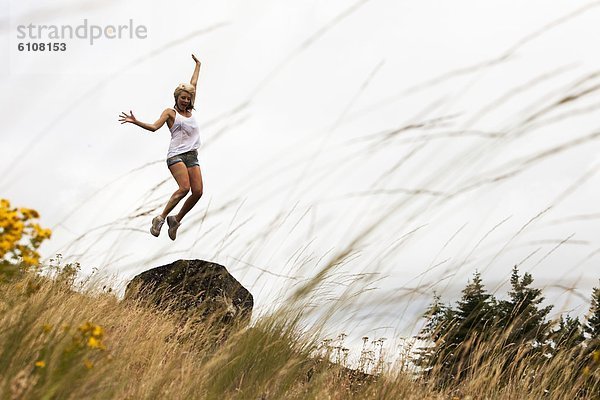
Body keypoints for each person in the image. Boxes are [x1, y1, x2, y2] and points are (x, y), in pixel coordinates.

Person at [119, 54, 203, 240]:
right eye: (182, 98)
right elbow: (154, 127)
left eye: (188, 99)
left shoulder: (189, 110)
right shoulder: (170, 112)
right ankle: (160, 218)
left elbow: (193, 84)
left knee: (197, 192)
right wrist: (136, 121)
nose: (185, 101)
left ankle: (176, 220)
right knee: (184, 188)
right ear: (177, 97)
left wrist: (198, 65)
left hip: (192, 156)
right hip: (176, 156)